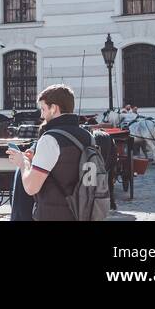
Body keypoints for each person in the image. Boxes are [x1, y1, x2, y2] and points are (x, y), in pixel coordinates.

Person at [6, 83, 96, 221]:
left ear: (54, 108)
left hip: (54, 214)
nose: (42, 115)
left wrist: (23, 163)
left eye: (43, 109)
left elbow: (31, 188)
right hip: (83, 212)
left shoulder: (50, 139)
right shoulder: (88, 137)